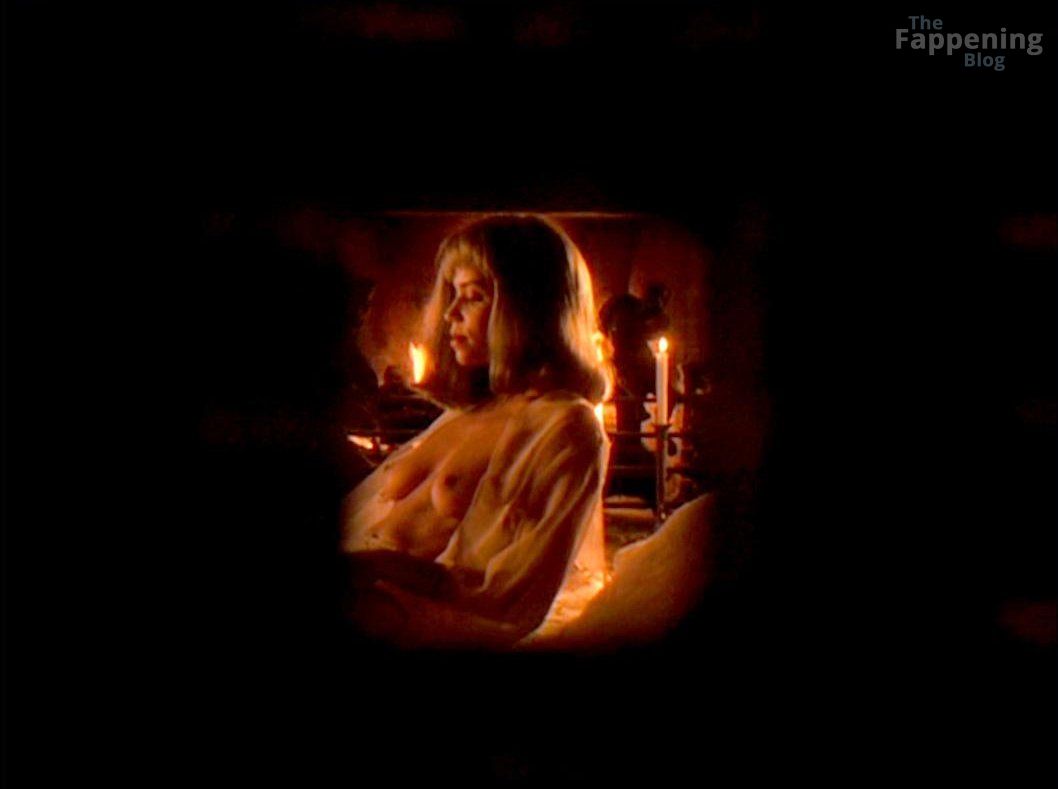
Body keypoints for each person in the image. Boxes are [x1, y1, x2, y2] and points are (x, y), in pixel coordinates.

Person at [341, 215, 614, 649]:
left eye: (472, 297)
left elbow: (509, 601)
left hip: (397, 616)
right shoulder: (469, 411)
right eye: (452, 294)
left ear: (528, 310)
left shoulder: (567, 427)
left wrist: (373, 571)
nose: (451, 313)